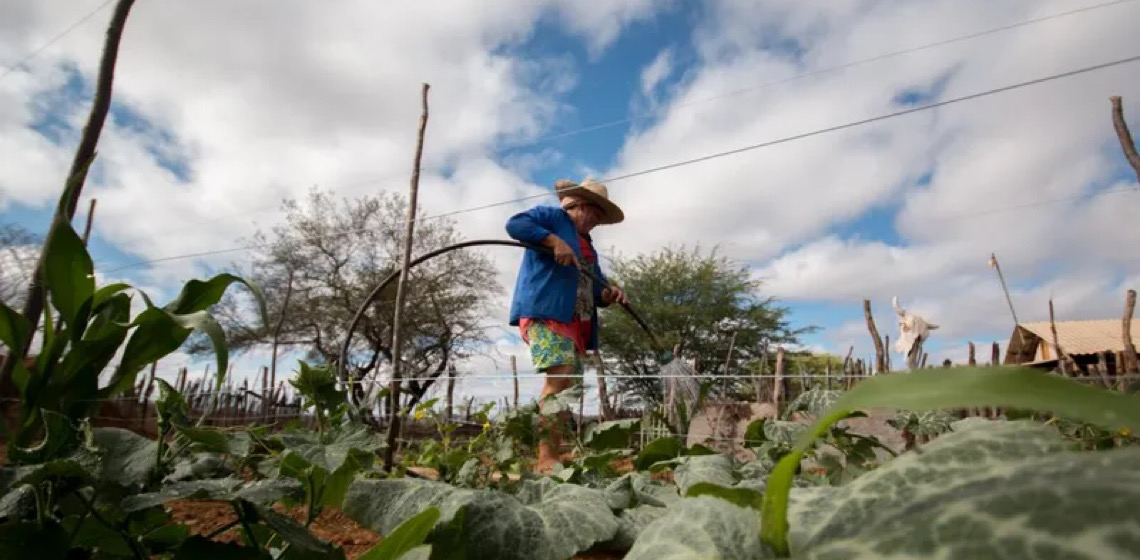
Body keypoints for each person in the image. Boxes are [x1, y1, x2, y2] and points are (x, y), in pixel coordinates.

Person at [505, 178, 629, 472]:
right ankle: (545, 457)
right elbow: (515, 224)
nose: (597, 222)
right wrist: (553, 240)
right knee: (558, 378)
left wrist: (609, 293)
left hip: (576, 322)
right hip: (547, 313)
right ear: (580, 206)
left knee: (567, 387)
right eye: (597, 215)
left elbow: (595, 287)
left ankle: (554, 452)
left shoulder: (587, 246)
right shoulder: (553, 218)